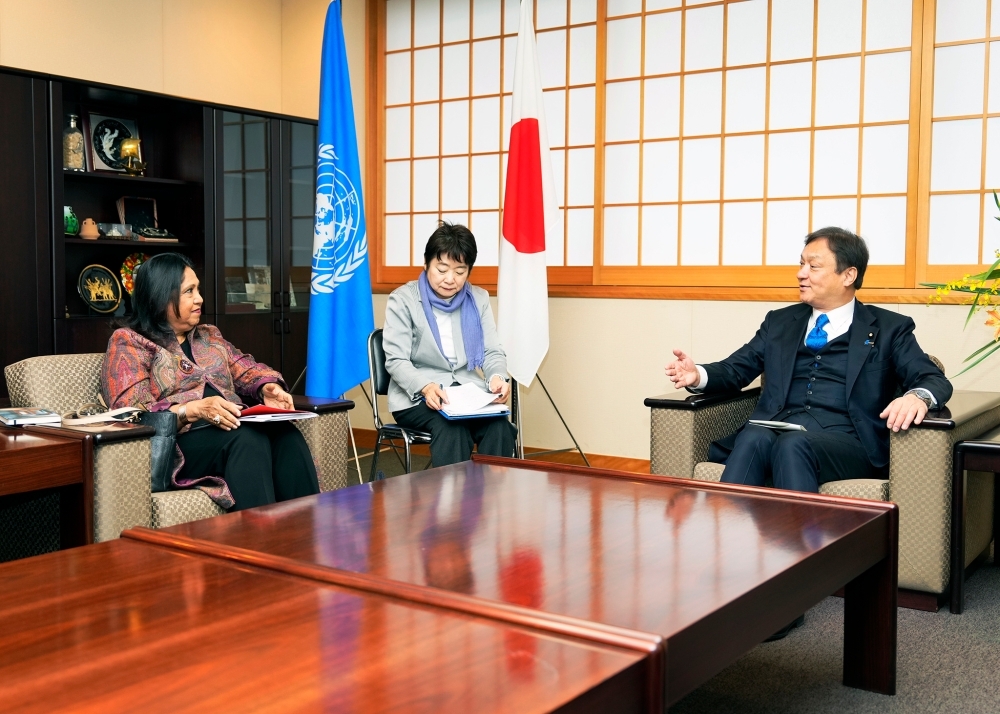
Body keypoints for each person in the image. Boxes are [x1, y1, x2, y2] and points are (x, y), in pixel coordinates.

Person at [665, 227, 952, 494]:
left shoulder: (890, 328)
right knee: (753, 436)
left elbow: (932, 378)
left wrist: (916, 397)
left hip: (848, 443)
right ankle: (729, 531)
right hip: (776, 428)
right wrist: (697, 375)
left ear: (848, 275)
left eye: (813, 267)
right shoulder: (779, 322)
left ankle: (797, 535)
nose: (801, 274)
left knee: (793, 444)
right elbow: (736, 368)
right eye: (801, 264)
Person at [101, 253, 318, 511]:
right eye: (189, 291)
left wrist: (267, 387)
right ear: (161, 296)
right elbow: (130, 411)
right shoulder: (129, 342)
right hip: (176, 445)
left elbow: (246, 367)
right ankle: (259, 536)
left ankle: (308, 530)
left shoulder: (208, 336)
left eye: (198, 289)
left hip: (229, 430)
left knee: (287, 436)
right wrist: (191, 410)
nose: (199, 298)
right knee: (246, 440)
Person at [383, 222, 517, 466]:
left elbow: (492, 351)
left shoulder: (478, 298)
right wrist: (425, 387)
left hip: (467, 394)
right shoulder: (403, 300)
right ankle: (450, 492)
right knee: (453, 429)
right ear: (426, 264)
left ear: (469, 271)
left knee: (500, 428)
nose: (450, 279)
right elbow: (396, 360)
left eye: (459, 271)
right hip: (419, 396)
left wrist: (497, 377)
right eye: (442, 269)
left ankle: (491, 491)